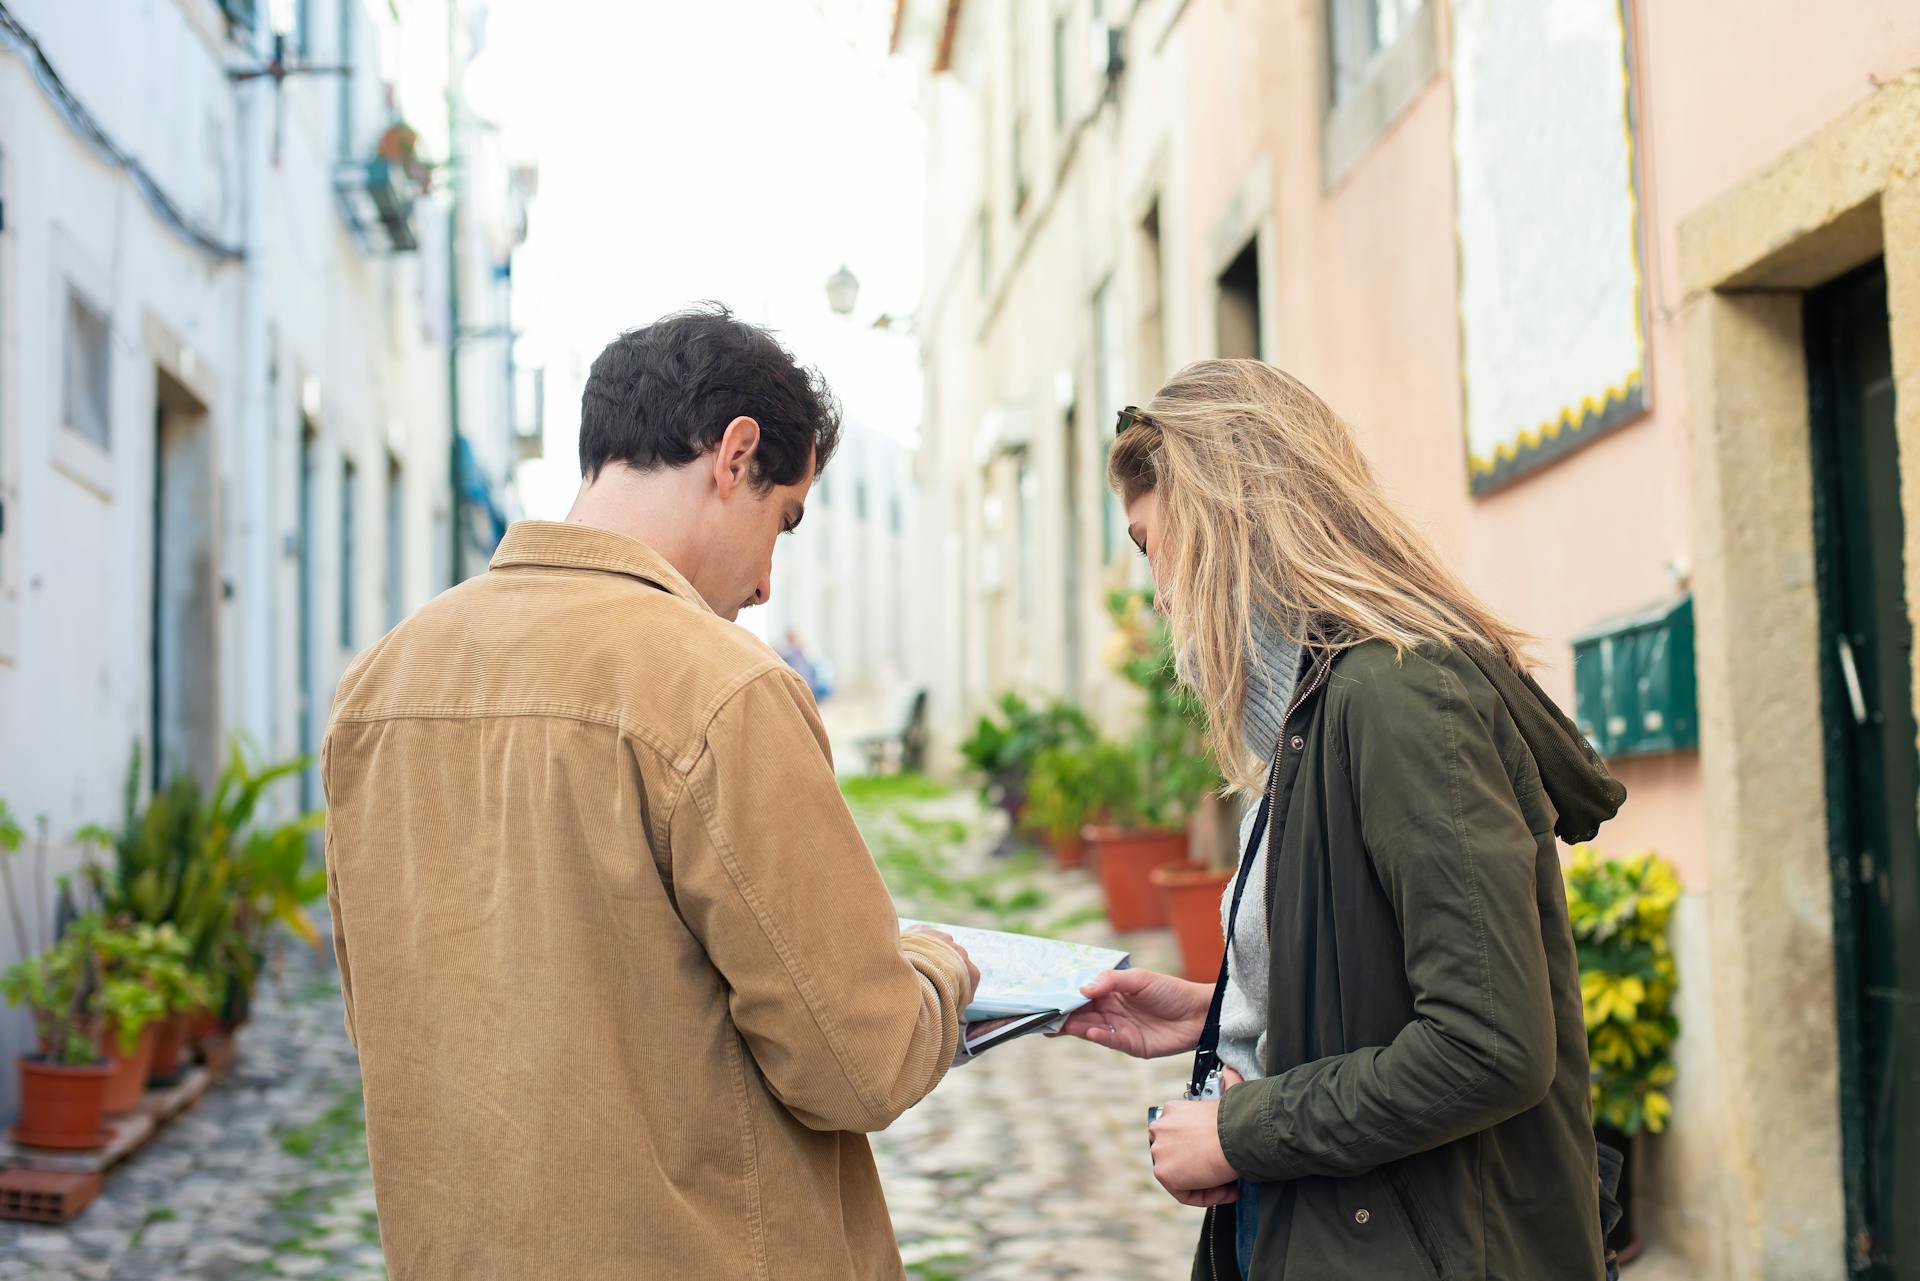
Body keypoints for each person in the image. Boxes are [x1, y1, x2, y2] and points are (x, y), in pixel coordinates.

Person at [322, 305, 978, 1281]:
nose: (765, 584)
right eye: (782, 521)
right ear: (736, 455)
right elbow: (860, 1058)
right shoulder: (722, 687)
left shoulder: (378, 689)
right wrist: (939, 964)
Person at [1059, 359, 1626, 1280]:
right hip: (1332, 1224)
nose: (1157, 592)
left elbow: (1489, 1044)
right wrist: (1217, 1014)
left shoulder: (1401, 697)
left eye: (1147, 543)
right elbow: (1380, 979)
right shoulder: (1311, 707)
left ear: (1222, 526)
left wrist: (1241, 1130)